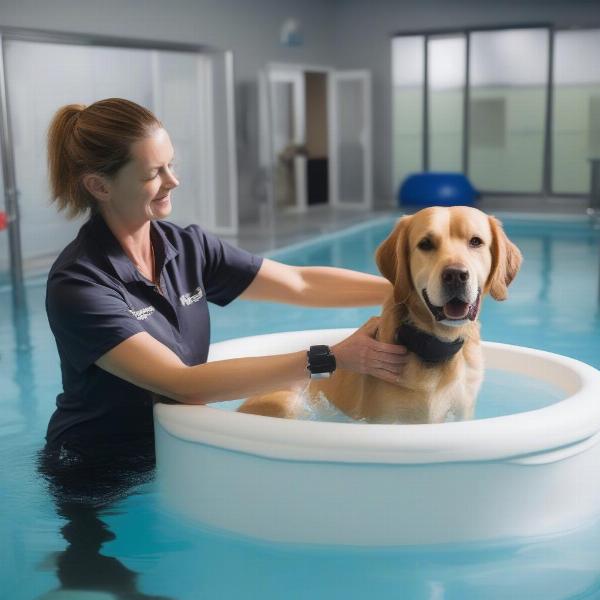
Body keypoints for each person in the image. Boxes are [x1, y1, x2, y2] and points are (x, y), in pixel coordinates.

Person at [43, 97, 408, 461]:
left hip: (173, 451)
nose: (174, 180)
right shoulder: (80, 286)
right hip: (93, 470)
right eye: (154, 173)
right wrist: (331, 358)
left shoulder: (188, 248)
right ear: (100, 187)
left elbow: (301, 283)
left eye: (171, 164)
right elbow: (180, 384)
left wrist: (414, 293)